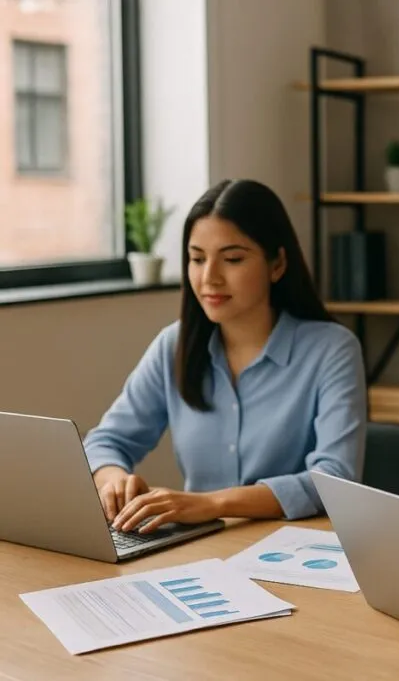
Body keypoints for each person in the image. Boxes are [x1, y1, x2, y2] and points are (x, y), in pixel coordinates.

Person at [85, 179, 367, 533]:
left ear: (277, 264)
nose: (209, 278)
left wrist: (210, 503)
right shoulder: (173, 346)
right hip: (197, 550)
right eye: (197, 259)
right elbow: (105, 441)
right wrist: (114, 481)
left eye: (232, 259)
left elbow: (334, 481)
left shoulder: (332, 349)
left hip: (294, 552)